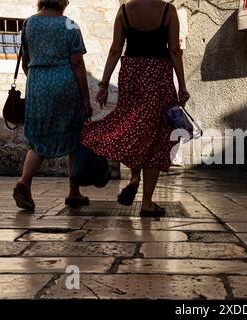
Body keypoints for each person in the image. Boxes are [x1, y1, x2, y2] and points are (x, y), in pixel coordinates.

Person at [81, 0, 190, 216]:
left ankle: (134, 177)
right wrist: (182, 85)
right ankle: (147, 203)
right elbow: (175, 50)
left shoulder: (124, 11)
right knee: (157, 135)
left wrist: (103, 84)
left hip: (132, 73)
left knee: (135, 127)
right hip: (158, 76)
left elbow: (115, 50)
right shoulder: (168, 11)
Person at [13, 0, 92, 211]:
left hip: (37, 83)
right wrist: (86, 98)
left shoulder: (29, 23)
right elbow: (77, 63)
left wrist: (38, 82)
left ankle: (24, 182)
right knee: (73, 135)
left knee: (38, 139)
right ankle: (74, 193)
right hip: (65, 84)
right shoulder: (70, 24)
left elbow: (25, 60)